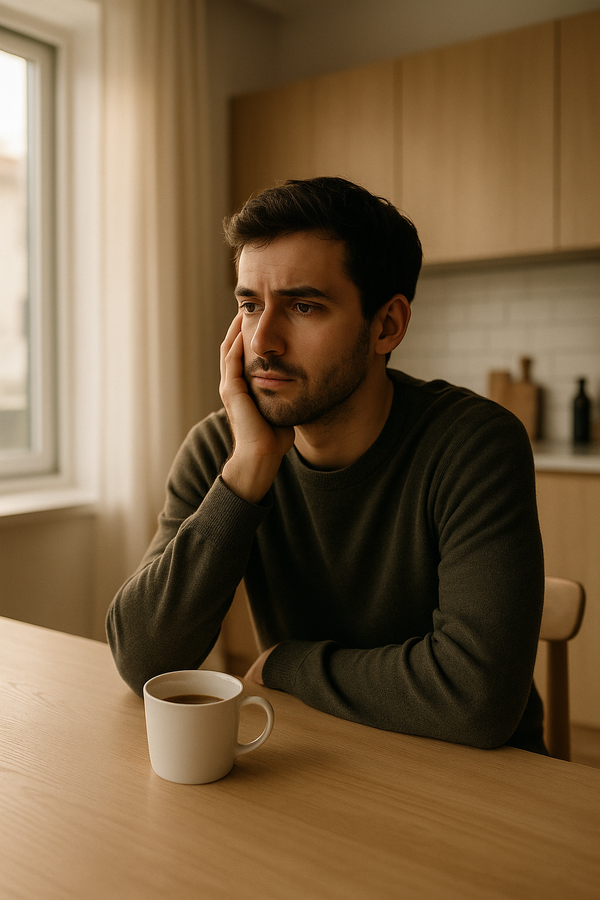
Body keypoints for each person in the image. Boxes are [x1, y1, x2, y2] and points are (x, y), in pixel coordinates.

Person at [106, 176, 546, 754]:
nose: (262, 342)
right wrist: (248, 470)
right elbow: (144, 660)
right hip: (319, 757)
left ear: (386, 326)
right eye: (249, 305)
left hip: (479, 779)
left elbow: (476, 699)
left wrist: (288, 664)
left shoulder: (473, 446)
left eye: (303, 306)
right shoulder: (224, 449)